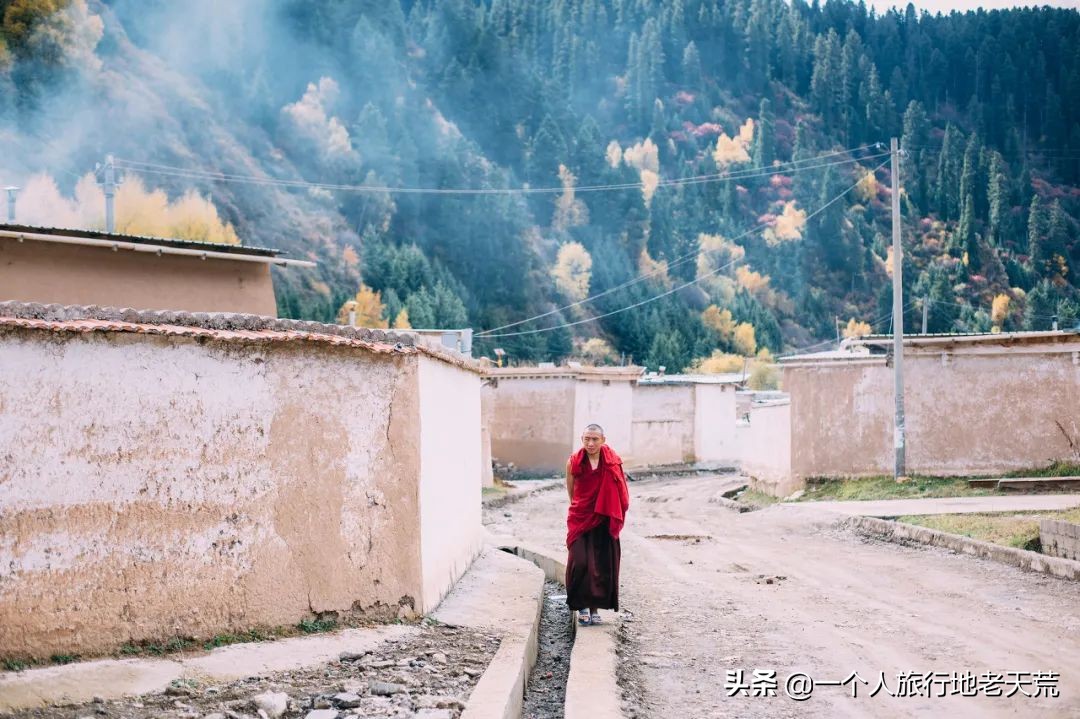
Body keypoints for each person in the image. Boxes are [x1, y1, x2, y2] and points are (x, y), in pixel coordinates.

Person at [565, 423, 630, 626]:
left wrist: (610, 510)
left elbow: (621, 490)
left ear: (603, 440)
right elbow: (572, 491)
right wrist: (581, 509)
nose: (590, 443)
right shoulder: (574, 462)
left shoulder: (612, 462)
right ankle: (581, 605)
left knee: (600, 564)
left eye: (594, 439)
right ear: (582, 439)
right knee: (581, 561)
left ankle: (593, 609)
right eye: (587, 439)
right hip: (581, 516)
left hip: (604, 518)